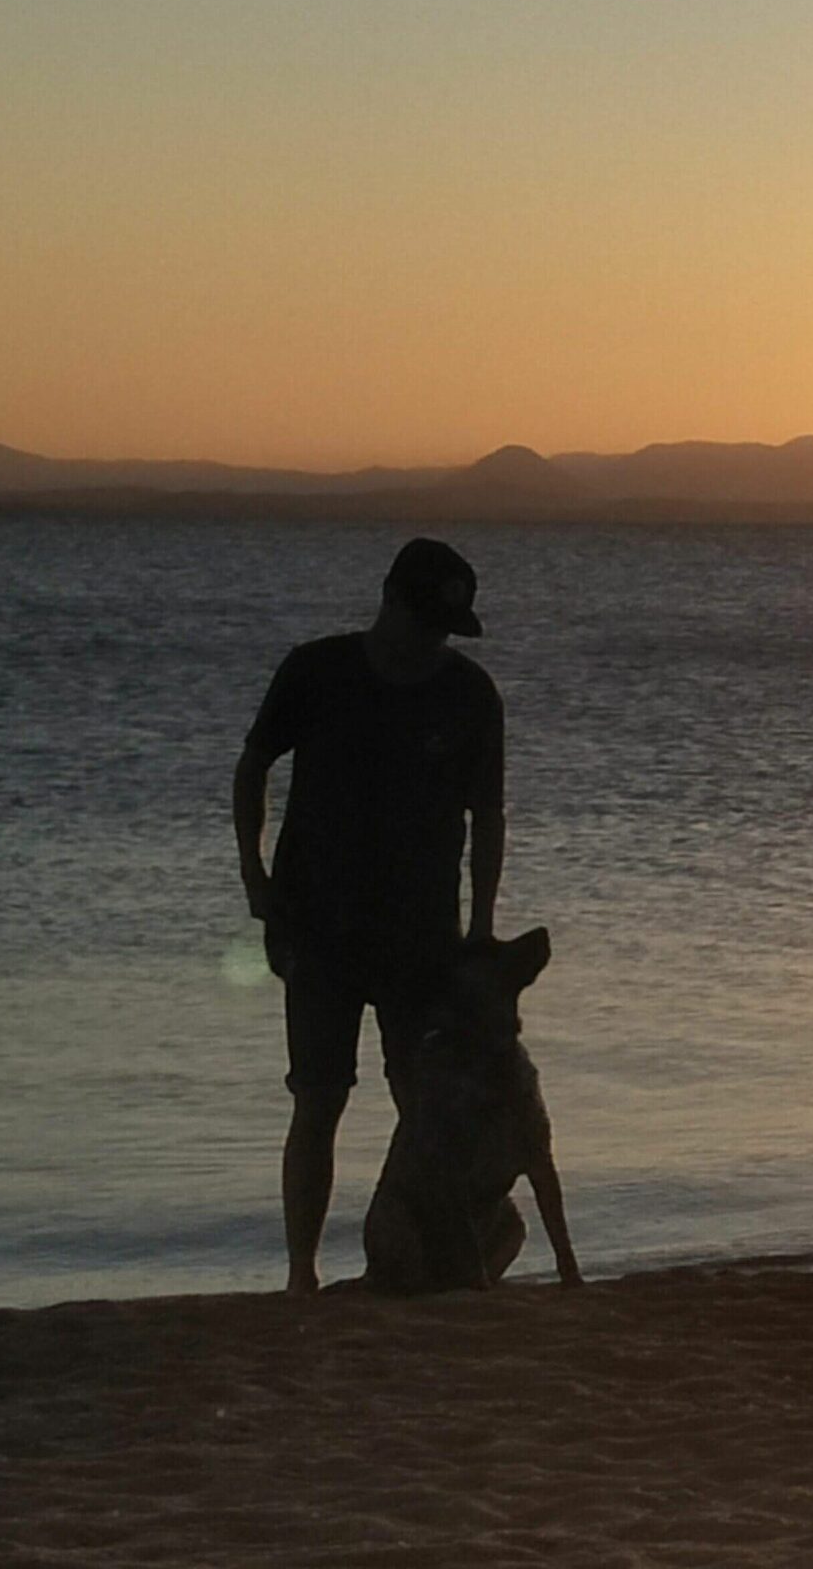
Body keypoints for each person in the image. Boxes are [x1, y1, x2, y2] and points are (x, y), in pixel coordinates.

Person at [233, 537, 507, 1295]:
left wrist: (482, 927)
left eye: (442, 631)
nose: (430, 644)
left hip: (423, 936)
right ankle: (300, 1275)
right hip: (316, 924)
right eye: (421, 622)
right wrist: (253, 875)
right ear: (387, 597)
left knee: (423, 1103)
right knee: (318, 1098)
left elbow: (487, 816)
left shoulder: (470, 696)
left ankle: (428, 1259)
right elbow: (254, 765)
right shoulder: (315, 672)